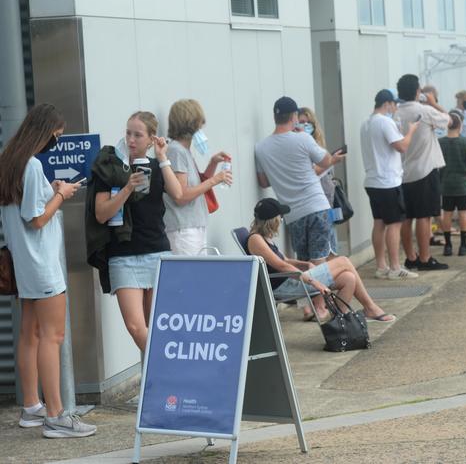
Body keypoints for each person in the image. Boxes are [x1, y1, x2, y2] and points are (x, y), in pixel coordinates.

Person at [0, 104, 96, 438]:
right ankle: (56, 416)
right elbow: (37, 218)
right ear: (43, 132)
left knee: (30, 335)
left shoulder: (10, 162)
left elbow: (26, 207)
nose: (56, 141)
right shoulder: (30, 166)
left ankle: (32, 408)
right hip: (41, 265)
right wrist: (62, 193)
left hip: (24, 265)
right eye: (56, 136)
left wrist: (49, 190)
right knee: (52, 337)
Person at [91, 112, 183, 351]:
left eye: (138, 135)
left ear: (151, 139)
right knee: (135, 327)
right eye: (128, 133)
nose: (131, 140)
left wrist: (162, 158)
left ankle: (156, 380)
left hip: (156, 251)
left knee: (158, 326)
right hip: (123, 255)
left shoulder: (156, 165)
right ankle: (165, 370)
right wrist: (127, 188)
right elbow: (101, 214)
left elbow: (178, 194)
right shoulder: (111, 168)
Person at [245, 198, 396, 322]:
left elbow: (285, 260)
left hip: (292, 280)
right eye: (280, 216)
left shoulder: (264, 237)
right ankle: (370, 307)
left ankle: (339, 321)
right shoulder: (255, 240)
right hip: (284, 286)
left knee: (348, 278)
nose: (282, 219)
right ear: (273, 220)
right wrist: (314, 282)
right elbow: (282, 266)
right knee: (343, 261)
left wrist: (305, 264)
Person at [255, 97, 344, 264]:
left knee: (305, 264)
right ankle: (323, 290)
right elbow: (325, 161)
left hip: (293, 215)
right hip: (317, 207)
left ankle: (313, 290)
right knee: (321, 261)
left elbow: (264, 182)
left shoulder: (260, 148)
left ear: (275, 118)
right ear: (294, 116)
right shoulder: (303, 138)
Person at [360, 89, 419, 280]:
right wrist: (411, 131)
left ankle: (381, 266)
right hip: (388, 181)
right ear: (388, 104)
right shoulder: (385, 122)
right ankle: (395, 267)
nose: (396, 108)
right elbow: (401, 146)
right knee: (394, 224)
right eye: (395, 104)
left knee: (379, 222)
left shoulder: (366, 123)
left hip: (373, 180)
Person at [394, 74, 450, 272]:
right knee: (424, 217)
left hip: (402, 172)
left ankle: (411, 257)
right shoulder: (424, 110)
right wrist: (434, 103)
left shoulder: (395, 113)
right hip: (425, 170)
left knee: (406, 218)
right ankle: (425, 258)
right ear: (418, 92)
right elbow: (448, 120)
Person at [163, 99, 232, 255]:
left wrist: (213, 163)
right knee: (190, 276)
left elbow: (197, 186)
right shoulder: (176, 151)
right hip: (183, 229)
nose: (201, 127)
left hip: (194, 226)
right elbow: (181, 195)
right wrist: (216, 180)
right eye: (199, 122)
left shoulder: (184, 150)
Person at [297, 106, 338, 255]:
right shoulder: (299, 145)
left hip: (326, 200)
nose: (305, 126)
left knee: (330, 248)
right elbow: (310, 173)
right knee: (317, 253)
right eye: (301, 122)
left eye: (308, 123)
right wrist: (331, 161)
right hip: (309, 205)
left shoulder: (317, 145)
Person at [438, 110, 466, 256]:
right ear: (460, 125)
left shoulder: (440, 142)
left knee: (446, 213)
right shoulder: (463, 142)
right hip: (461, 184)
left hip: (446, 184)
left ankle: (447, 246)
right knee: (462, 213)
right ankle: (463, 244)